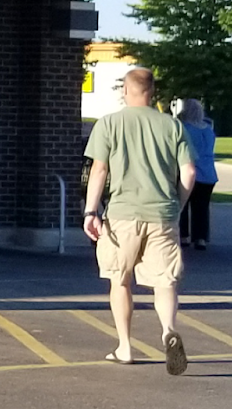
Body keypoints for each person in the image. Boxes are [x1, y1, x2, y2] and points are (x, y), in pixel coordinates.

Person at [83, 67, 195, 375]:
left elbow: (99, 170)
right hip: (162, 214)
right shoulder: (172, 126)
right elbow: (189, 172)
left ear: (125, 91)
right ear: (152, 92)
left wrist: (91, 211)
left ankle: (125, 347)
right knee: (165, 281)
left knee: (119, 280)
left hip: (122, 214)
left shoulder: (109, 124)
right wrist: (177, 205)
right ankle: (168, 330)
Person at [176, 98, 218, 250]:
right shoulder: (208, 130)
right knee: (202, 207)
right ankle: (200, 238)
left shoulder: (184, 128)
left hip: (189, 170)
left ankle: (184, 236)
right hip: (208, 173)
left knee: (183, 204)